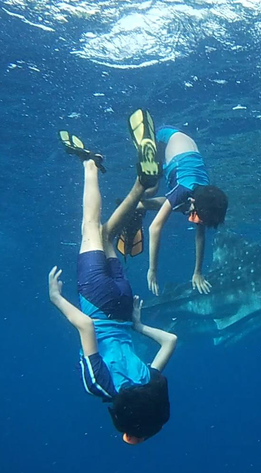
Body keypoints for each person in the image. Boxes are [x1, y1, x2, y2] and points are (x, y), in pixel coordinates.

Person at [50, 130, 177, 445]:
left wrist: (136, 324)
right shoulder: (101, 387)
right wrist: (56, 298)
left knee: (105, 235)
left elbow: (171, 341)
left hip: (122, 303)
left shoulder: (149, 380)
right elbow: (85, 326)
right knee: (90, 225)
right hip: (96, 297)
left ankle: (139, 188)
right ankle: (90, 164)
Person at [130, 109, 229, 296]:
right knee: (151, 188)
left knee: (180, 208)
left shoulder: (204, 199)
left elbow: (200, 236)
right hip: (163, 138)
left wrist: (197, 272)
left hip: (184, 149)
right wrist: (152, 270)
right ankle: (145, 140)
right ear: (194, 201)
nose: (196, 221)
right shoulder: (184, 190)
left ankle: (139, 206)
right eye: (197, 216)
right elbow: (154, 228)